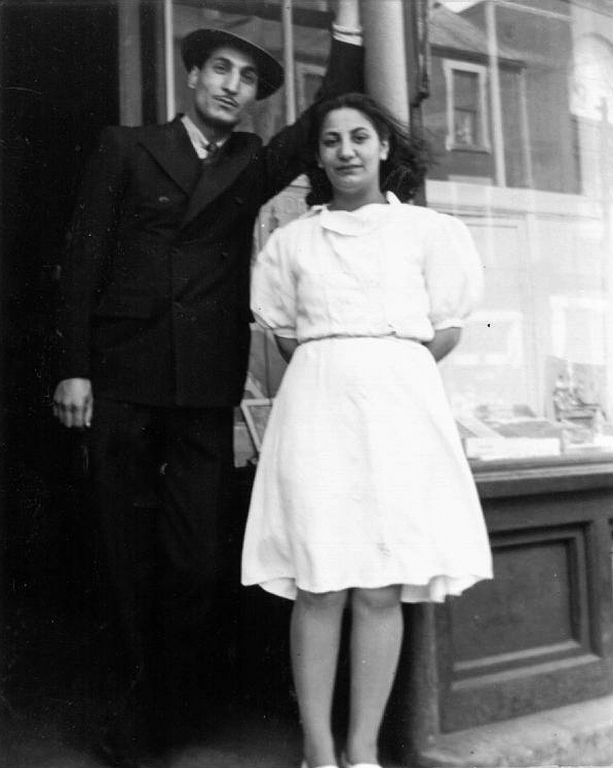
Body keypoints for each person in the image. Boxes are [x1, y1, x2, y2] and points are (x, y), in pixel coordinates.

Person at [51, 3, 363, 766]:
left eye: (247, 77)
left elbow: (322, 114)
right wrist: (73, 365)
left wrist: (350, 30)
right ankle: (135, 724)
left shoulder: (249, 163)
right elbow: (82, 257)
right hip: (122, 377)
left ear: (255, 97)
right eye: (219, 68)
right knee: (123, 555)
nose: (231, 85)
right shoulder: (127, 148)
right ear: (192, 76)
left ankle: (175, 706)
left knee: (194, 559)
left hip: (201, 389)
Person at [241, 92, 493, 768]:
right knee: (320, 582)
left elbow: (442, 331)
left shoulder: (429, 233)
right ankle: (318, 751)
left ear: (383, 146)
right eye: (330, 141)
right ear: (317, 156)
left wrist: (383, 366)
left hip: (398, 417)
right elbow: (289, 336)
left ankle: (361, 751)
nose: (345, 151)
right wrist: (341, 362)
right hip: (317, 411)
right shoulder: (293, 242)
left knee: (380, 584)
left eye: (359, 137)